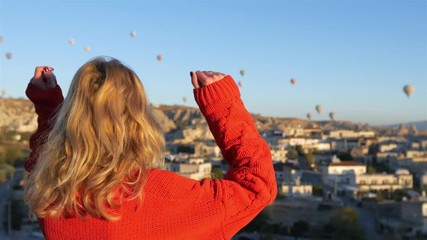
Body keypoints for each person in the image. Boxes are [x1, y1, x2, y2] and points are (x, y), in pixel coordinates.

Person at [24, 57, 277, 240]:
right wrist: (223, 104)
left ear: (72, 116)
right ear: (139, 118)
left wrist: (48, 106)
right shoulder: (161, 197)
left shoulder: (51, 193)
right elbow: (257, 185)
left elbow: (44, 157)